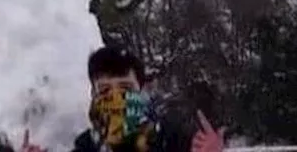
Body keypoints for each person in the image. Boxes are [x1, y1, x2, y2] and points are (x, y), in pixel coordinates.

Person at [22, 46, 227, 152]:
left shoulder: (174, 141)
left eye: (125, 88)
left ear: (142, 89)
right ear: (93, 96)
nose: (116, 99)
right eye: (105, 91)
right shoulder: (87, 148)